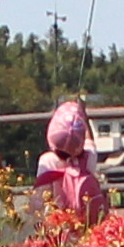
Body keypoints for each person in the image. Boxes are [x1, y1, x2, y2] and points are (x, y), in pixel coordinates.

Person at [34, 94, 108, 234]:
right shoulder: (88, 158)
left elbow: (40, 199)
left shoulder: (47, 161)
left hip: (58, 229)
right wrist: (82, 113)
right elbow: (89, 140)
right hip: (84, 226)